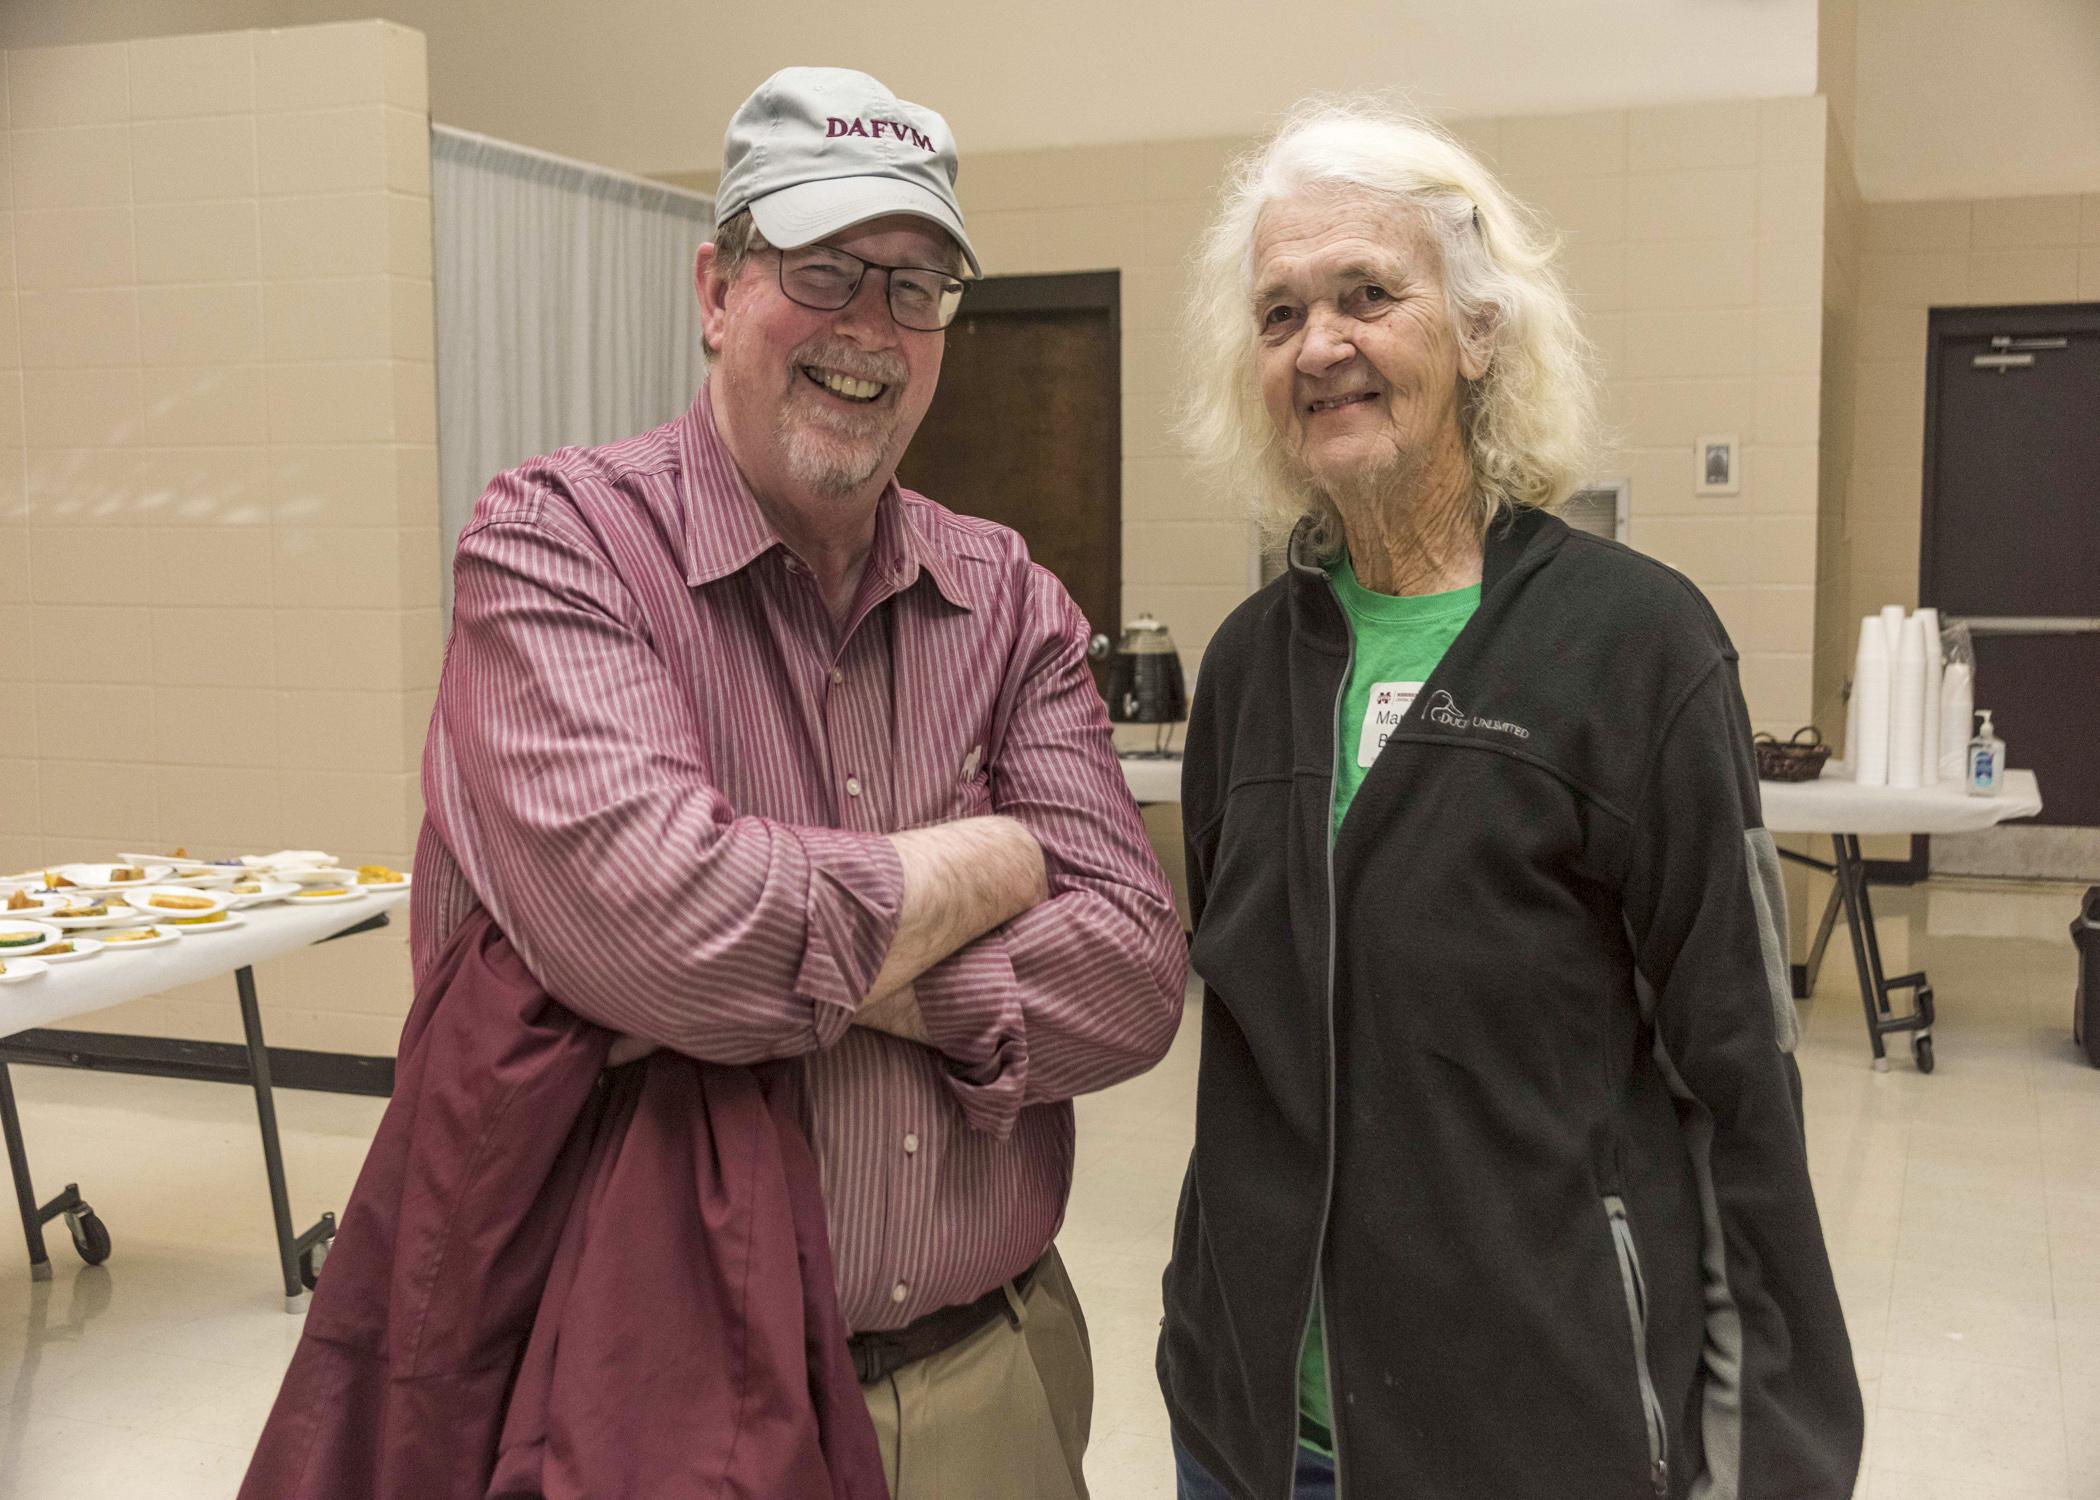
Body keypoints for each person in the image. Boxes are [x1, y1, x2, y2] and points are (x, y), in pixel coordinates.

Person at [415, 66, 1187, 1498]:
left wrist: (791, 978)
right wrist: (995, 864)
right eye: (823, 269)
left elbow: (1141, 976)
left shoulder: (1002, 598)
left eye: (915, 286)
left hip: (988, 1382)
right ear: (716, 287)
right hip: (650, 1399)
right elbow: (670, 933)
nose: (870, 330)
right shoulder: (558, 549)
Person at [1156, 102, 1864, 1499]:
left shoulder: (1633, 648)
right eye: (1283, 310)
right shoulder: (1249, 667)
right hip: (1249, 1435)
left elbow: (1735, 1087)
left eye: (1371, 294)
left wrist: (1768, 1457)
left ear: (1478, 332)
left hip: (1534, 1433)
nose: (1322, 345)